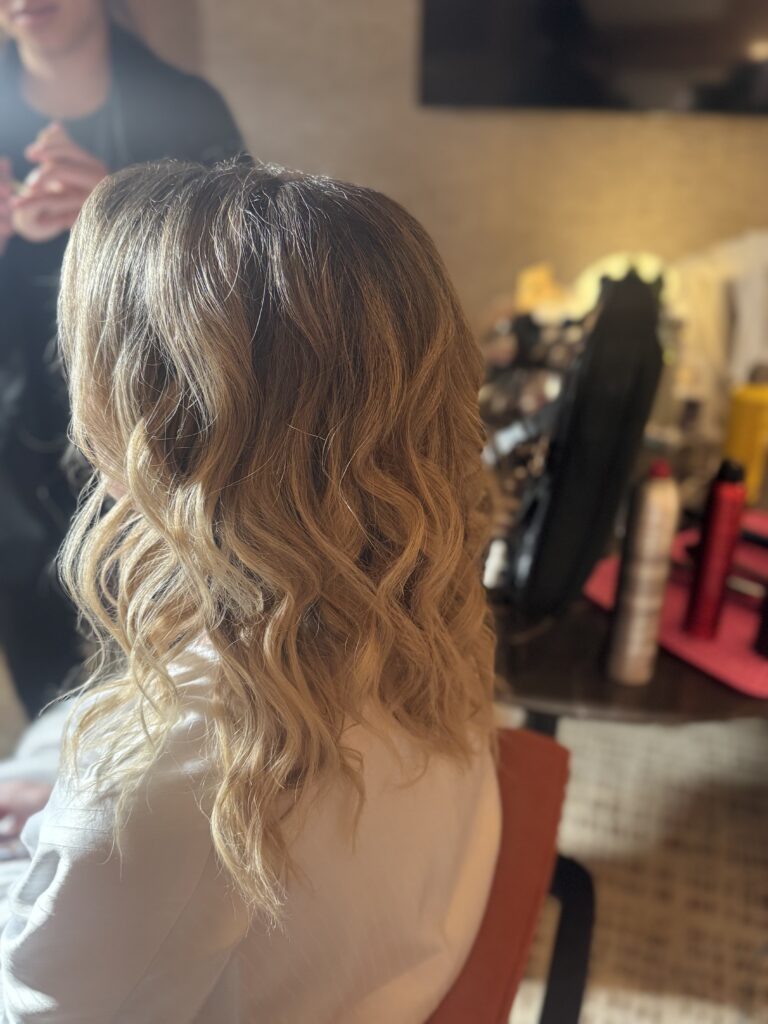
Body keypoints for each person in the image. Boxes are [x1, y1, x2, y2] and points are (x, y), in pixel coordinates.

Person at [0, 161, 501, 1022]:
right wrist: (71, 836)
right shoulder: (423, 608)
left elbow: (35, 1008)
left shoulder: (179, 773)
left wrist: (63, 853)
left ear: (159, 419)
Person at [0, 0, 245, 720]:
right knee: (47, 681)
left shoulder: (185, 108)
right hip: (12, 461)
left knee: (172, 679)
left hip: (164, 441)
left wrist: (130, 218)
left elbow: (246, 287)